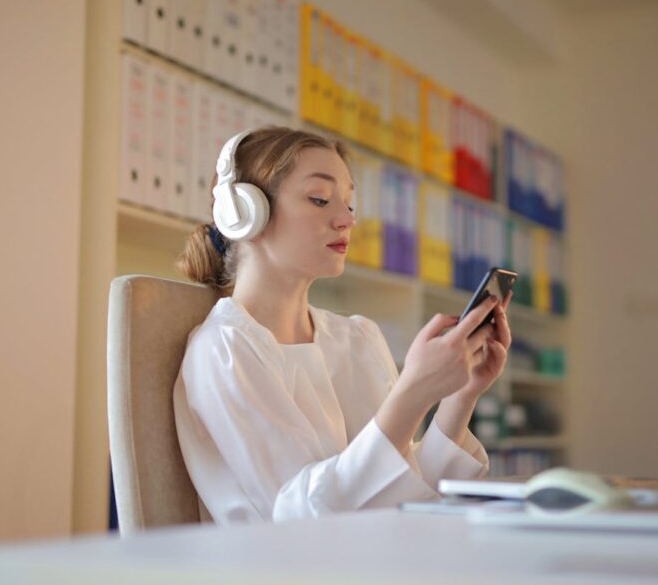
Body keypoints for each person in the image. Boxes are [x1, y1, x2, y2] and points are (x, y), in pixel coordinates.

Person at [173, 126, 512, 524]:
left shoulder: (357, 338)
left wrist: (461, 394)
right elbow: (304, 522)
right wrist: (414, 392)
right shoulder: (226, 350)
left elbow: (405, 493)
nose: (346, 220)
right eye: (320, 199)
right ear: (244, 213)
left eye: (349, 204)